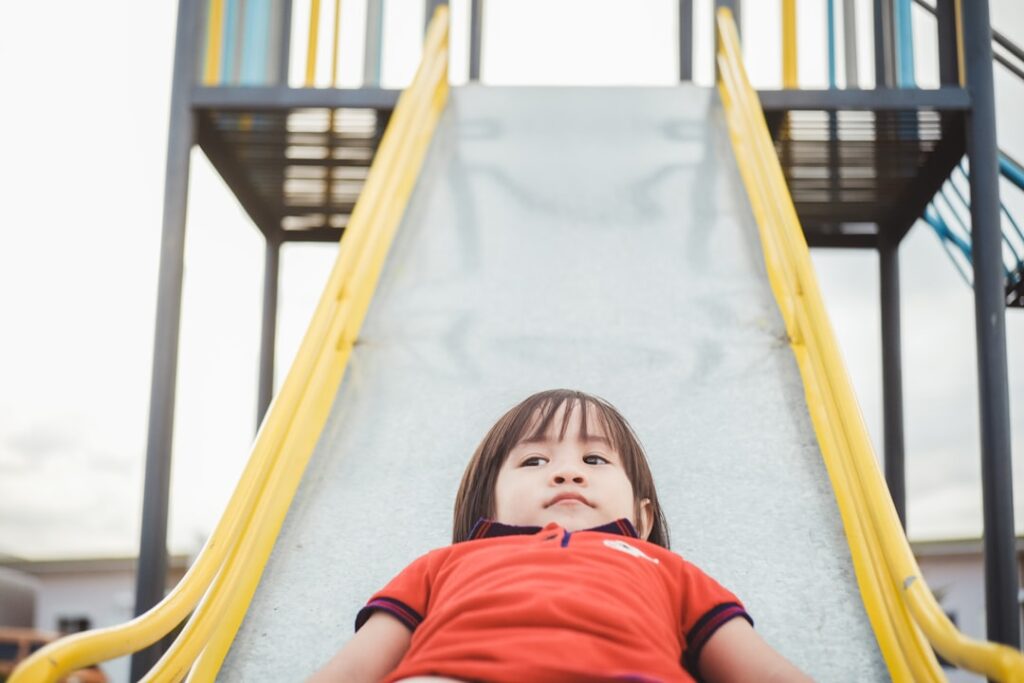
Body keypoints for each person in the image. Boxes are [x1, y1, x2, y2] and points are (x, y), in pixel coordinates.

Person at [310, 389, 810, 682]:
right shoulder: (444, 564)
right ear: (487, 502)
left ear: (644, 517)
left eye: (595, 460)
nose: (567, 473)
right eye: (534, 461)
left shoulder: (666, 570)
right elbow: (357, 665)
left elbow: (754, 667)